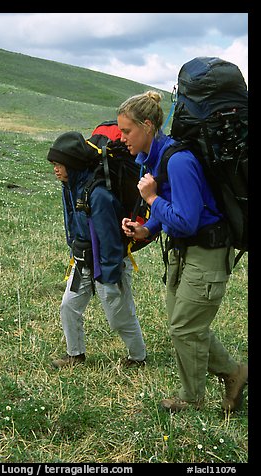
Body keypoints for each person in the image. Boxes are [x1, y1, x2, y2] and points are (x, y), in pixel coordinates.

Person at [117, 90, 248, 412]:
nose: (122, 138)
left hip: (206, 252)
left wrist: (150, 200)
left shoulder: (178, 161)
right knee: (185, 325)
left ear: (147, 125)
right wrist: (147, 228)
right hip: (184, 252)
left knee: (185, 327)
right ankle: (235, 374)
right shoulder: (156, 158)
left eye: (126, 131)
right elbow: (175, 210)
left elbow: (187, 220)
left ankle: (191, 398)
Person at [46, 131, 147, 369]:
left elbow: (109, 241)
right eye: (54, 165)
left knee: (119, 312)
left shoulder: (98, 195)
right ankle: (75, 355)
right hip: (83, 259)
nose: (56, 170)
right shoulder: (70, 186)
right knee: (68, 306)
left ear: (73, 164)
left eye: (59, 165)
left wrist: (110, 280)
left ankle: (138, 356)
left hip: (106, 263)